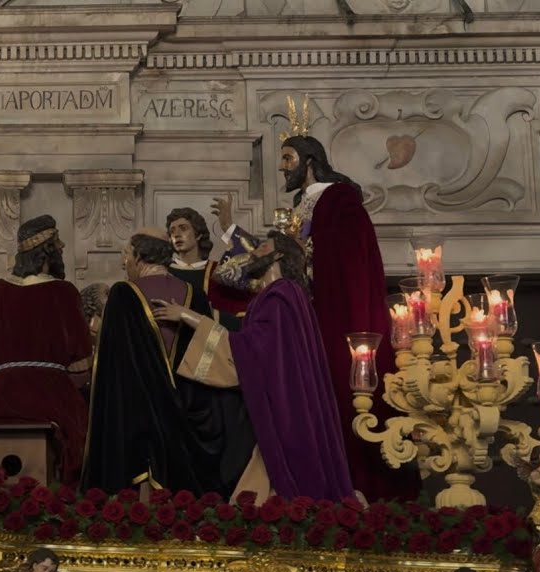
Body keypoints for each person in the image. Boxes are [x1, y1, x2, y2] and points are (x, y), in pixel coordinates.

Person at [208, 132, 401, 500]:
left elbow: (310, 258)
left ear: (309, 160)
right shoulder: (301, 210)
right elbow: (278, 258)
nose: (282, 167)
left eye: (288, 158)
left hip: (326, 320)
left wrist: (276, 249)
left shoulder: (336, 201)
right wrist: (233, 232)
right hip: (299, 320)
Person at [152, 231, 353, 502]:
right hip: (284, 398)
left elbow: (251, 350)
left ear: (278, 254)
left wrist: (187, 316)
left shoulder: (281, 294)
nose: (253, 252)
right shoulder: (280, 296)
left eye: (262, 247)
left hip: (283, 406)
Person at [84, 229, 253, 497]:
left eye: (126, 254)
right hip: (189, 411)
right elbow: (206, 357)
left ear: (140, 256)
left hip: (138, 413)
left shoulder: (123, 293)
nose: (123, 262)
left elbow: (113, 367)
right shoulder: (193, 293)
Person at [0, 215, 92, 485]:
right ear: (47, 251)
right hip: (52, 391)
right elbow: (81, 358)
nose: (62, 251)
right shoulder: (64, 292)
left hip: (2, 391)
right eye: (58, 246)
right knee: (79, 442)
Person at [166, 207, 242, 330]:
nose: (177, 234)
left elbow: (253, 265)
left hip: (207, 343)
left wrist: (228, 228)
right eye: (172, 231)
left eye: (183, 228)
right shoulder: (164, 271)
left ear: (198, 234)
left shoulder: (217, 271)